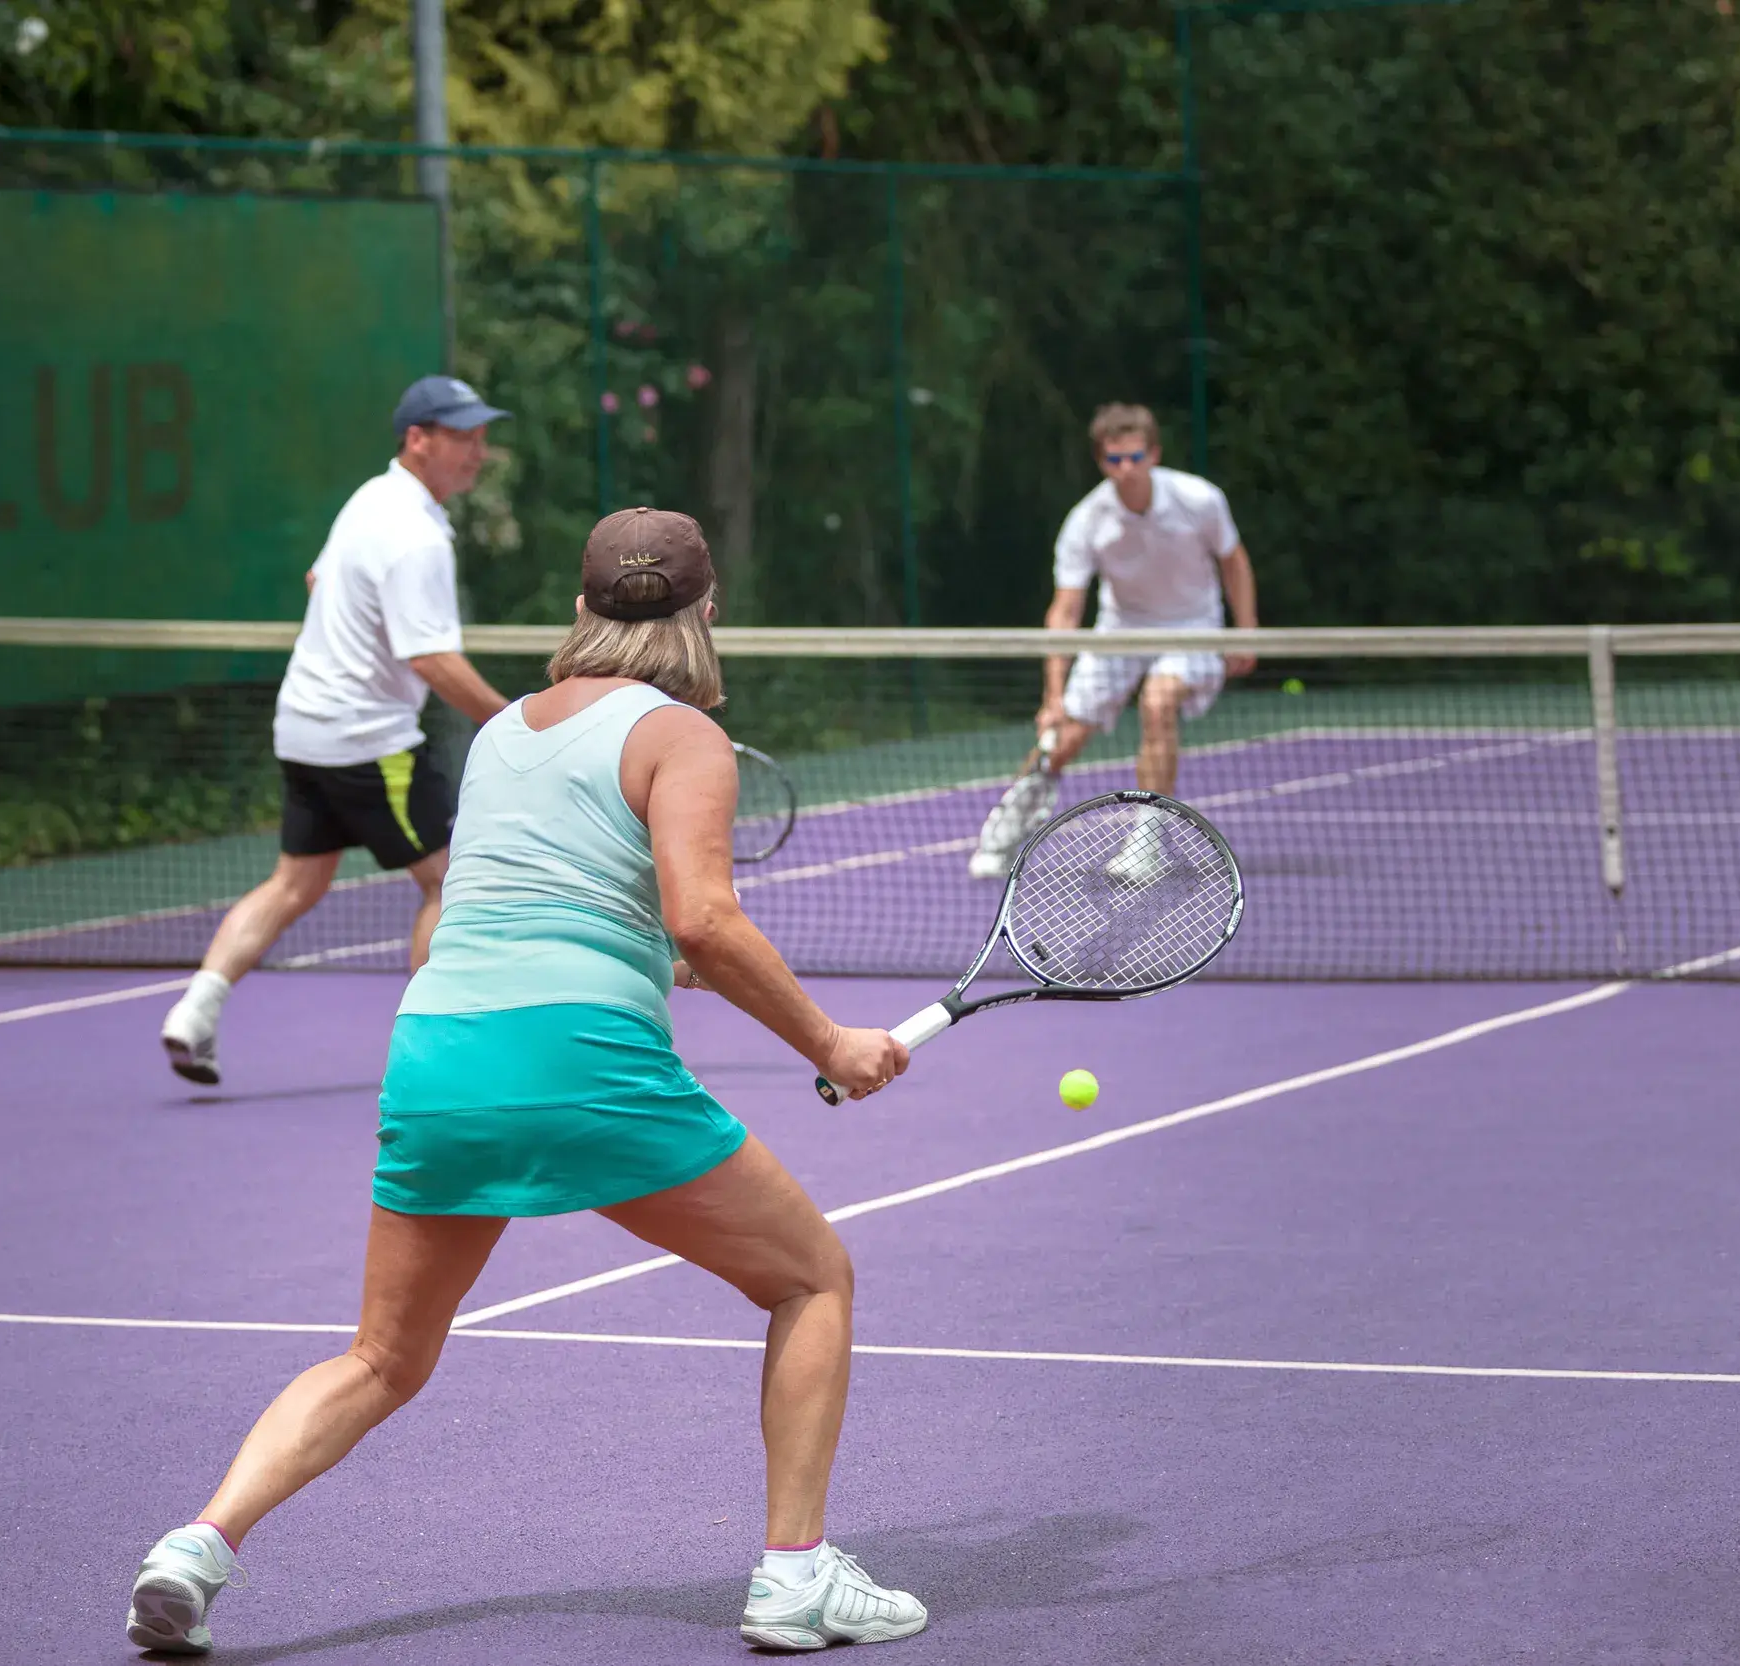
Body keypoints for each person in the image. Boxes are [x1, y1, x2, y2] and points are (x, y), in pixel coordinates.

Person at [124, 508, 929, 1656]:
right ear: (708, 611)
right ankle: (795, 1574)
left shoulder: (500, 730)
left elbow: (559, 915)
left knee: (379, 1357)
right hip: (579, 1063)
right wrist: (829, 1043)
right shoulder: (681, 734)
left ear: (581, 609)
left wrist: (642, 971)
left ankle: (196, 1546)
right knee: (813, 1279)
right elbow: (702, 919)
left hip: (439, 1049)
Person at [159, 377, 513, 1085]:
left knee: (295, 881)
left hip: (302, 728)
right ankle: (431, 1056)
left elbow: (319, 581)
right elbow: (431, 659)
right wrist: (515, 724)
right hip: (369, 740)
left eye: (481, 435)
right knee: (451, 881)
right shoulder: (415, 537)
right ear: (419, 440)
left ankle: (194, 1012)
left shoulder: (369, 501)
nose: (478, 451)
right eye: (463, 436)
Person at [968, 402, 1260, 881]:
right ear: (1101, 462)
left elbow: (1234, 561)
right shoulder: (1087, 520)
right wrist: (1054, 696)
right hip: (1121, 630)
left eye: (1135, 458)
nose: (1126, 470)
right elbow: (1065, 610)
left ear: (1154, 454)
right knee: (1062, 741)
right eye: (1114, 461)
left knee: (1158, 701)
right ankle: (1004, 830)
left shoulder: (1199, 499)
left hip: (1194, 627)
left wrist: (1246, 631)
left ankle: (1147, 843)